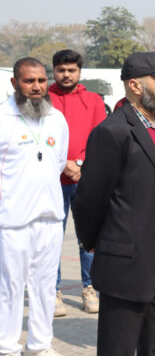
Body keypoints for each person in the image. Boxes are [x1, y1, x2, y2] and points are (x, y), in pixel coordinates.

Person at [72, 52, 155, 355]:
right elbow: (89, 199)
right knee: (120, 346)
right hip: (127, 260)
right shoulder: (112, 132)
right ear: (136, 86)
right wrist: (96, 242)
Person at [0, 57, 69, 356]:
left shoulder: (56, 118)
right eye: (29, 81)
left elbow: (59, 162)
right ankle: (7, 346)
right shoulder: (3, 118)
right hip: (12, 220)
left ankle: (40, 345)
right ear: (15, 83)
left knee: (44, 287)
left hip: (51, 218)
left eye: (41, 80)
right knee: (10, 287)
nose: (37, 87)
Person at [48, 49, 106, 317]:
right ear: (54, 71)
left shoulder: (93, 100)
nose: (66, 74)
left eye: (71, 70)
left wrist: (79, 165)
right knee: (51, 239)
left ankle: (90, 287)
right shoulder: (43, 100)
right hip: (51, 181)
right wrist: (63, 164)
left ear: (80, 72)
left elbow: (101, 139)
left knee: (88, 238)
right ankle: (53, 291)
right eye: (61, 70)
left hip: (85, 179)